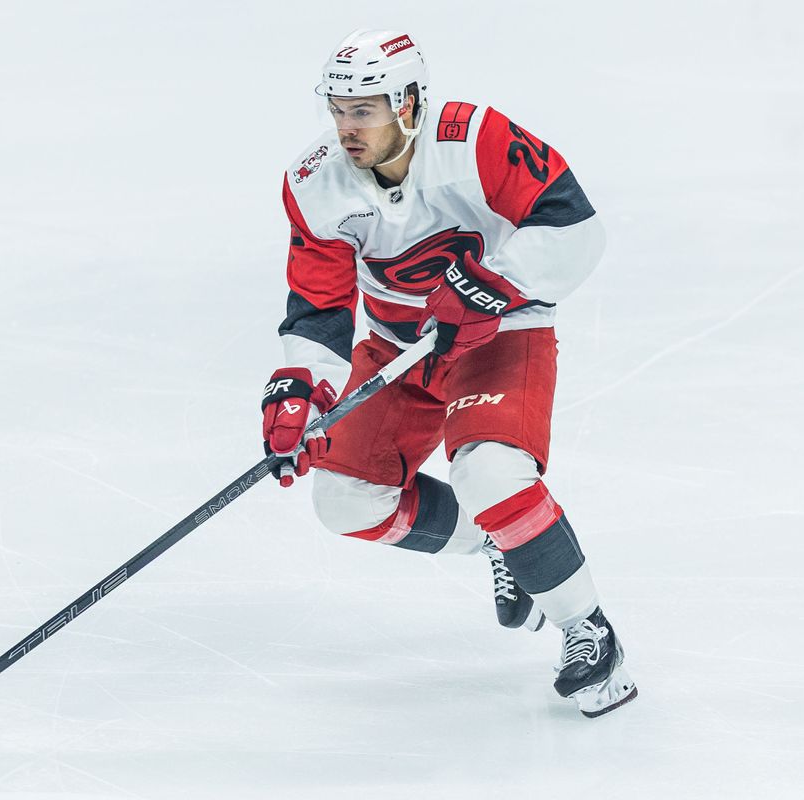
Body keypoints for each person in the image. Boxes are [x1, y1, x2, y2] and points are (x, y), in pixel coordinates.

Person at [260, 29, 637, 717]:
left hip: (503, 329)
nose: (347, 127)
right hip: (397, 343)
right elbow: (318, 309)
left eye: (364, 109)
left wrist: (494, 283)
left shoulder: (475, 138)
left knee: (491, 472)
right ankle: (503, 538)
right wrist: (298, 391)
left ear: (408, 102)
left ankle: (590, 630)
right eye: (339, 109)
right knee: (344, 501)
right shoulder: (313, 182)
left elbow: (576, 226)